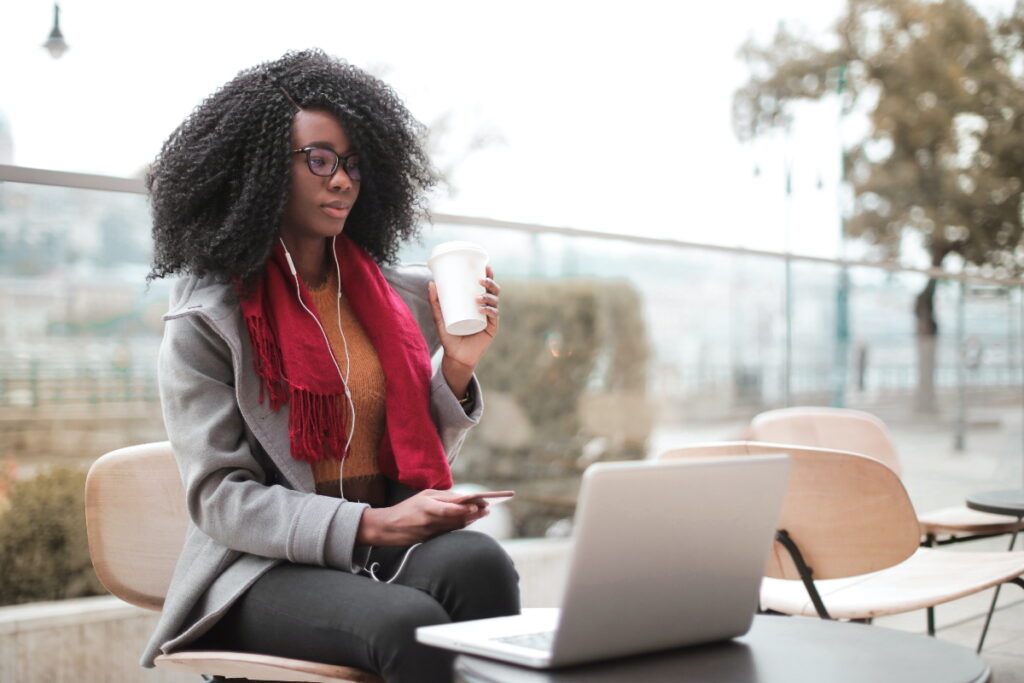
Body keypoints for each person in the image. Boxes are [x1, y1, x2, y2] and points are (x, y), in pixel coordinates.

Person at [140, 49, 520, 682]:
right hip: (259, 571)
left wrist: (456, 365)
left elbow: (412, 449)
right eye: (318, 160)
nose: (341, 180)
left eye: (352, 163)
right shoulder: (208, 318)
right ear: (258, 169)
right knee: (404, 625)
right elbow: (220, 501)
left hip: (372, 547)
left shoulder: (393, 297)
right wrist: (369, 524)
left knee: (480, 564)